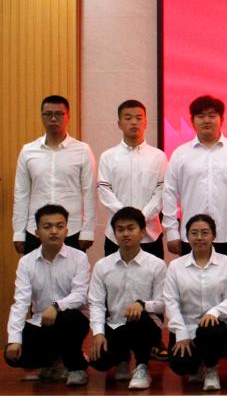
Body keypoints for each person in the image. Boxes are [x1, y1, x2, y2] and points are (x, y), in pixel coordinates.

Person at [4, 204, 90, 387]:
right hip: (41, 322)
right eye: (47, 226)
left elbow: (80, 295)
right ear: (37, 232)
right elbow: (20, 302)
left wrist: (56, 306)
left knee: (68, 318)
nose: (54, 231)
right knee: (12, 355)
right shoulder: (26, 262)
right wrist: (14, 340)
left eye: (60, 226)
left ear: (67, 230)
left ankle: (76, 367)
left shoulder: (79, 257)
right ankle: (53, 361)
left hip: (73, 319)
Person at [88, 206, 167, 390]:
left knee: (137, 318)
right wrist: (98, 334)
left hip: (146, 325)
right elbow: (96, 303)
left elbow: (164, 304)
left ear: (142, 232)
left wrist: (143, 305)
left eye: (131, 228)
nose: (125, 234)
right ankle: (121, 359)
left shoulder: (157, 265)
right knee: (99, 361)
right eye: (120, 229)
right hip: (115, 325)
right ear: (114, 234)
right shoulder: (102, 266)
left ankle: (142, 367)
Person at [164, 95, 227, 261]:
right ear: (192, 120)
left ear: (221, 119)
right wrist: (172, 231)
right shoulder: (180, 154)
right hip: (191, 236)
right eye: (201, 116)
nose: (206, 120)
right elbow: (169, 193)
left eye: (212, 116)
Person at [164, 213, 227, 392]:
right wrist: (181, 333)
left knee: (209, 329)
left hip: (218, 327)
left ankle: (211, 369)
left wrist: (214, 312)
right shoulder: (175, 266)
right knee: (180, 364)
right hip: (187, 326)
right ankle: (196, 366)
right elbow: (171, 302)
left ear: (214, 235)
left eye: (205, 232)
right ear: (187, 236)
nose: (199, 238)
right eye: (194, 233)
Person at [13, 94, 95, 254]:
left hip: (72, 229)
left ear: (68, 116)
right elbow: (21, 193)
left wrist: (88, 231)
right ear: (41, 116)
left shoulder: (82, 150)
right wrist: (18, 232)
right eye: (48, 114)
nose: (53, 119)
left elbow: (90, 193)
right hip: (35, 229)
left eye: (59, 114)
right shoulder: (28, 151)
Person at [97, 99, 167, 258]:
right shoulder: (108, 156)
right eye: (128, 118)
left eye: (139, 118)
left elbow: (161, 192)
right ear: (119, 124)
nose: (134, 122)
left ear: (146, 122)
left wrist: (141, 218)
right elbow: (105, 191)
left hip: (150, 234)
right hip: (116, 235)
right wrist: (126, 218)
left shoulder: (159, 156)